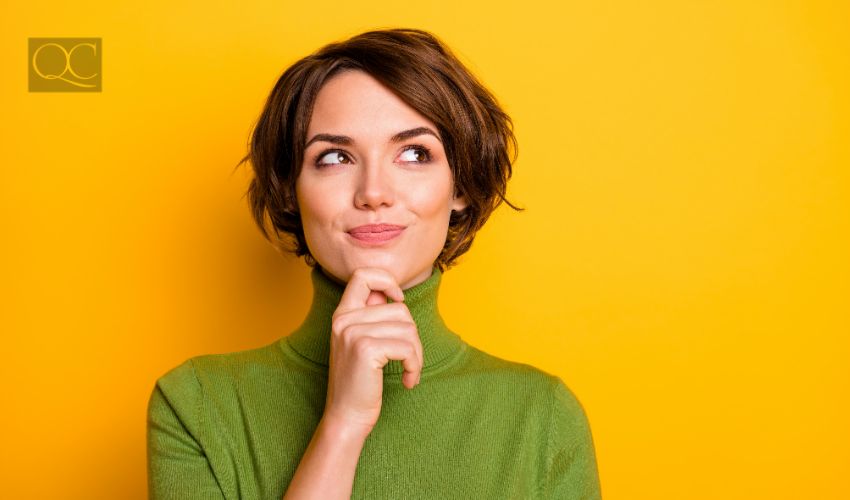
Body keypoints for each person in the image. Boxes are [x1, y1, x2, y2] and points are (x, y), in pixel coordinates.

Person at [147, 28, 601, 499]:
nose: (373, 194)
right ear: (292, 190)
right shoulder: (196, 405)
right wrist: (342, 425)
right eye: (336, 157)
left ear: (460, 186)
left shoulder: (541, 417)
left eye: (413, 153)